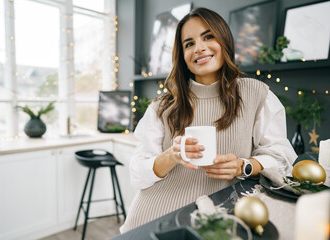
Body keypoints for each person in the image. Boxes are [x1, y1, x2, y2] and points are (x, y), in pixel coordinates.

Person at [120, 7, 297, 232]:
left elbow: (282, 156)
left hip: (222, 215)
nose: (199, 48)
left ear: (224, 40)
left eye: (208, 36)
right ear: (182, 56)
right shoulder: (162, 106)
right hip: (156, 215)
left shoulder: (256, 94)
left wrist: (244, 166)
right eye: (189, 43)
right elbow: (137, 174)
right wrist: (171, 156)